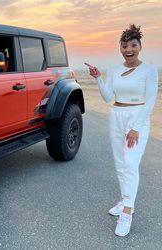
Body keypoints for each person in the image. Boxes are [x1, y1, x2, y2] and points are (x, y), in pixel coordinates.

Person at [86, 24, 159, 237]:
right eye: (125, 45)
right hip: (116, 117)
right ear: (120, 48)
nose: (129, 49)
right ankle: (125, 199)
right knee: (120, 165)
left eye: (133, 45)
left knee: (130, 163)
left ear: (140, 47)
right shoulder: (115, 69)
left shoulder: (149, 70)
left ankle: (127, 211)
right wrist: (98, 78)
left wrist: (136, 127)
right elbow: (108, 97)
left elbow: (151, 101)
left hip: (137, 119)